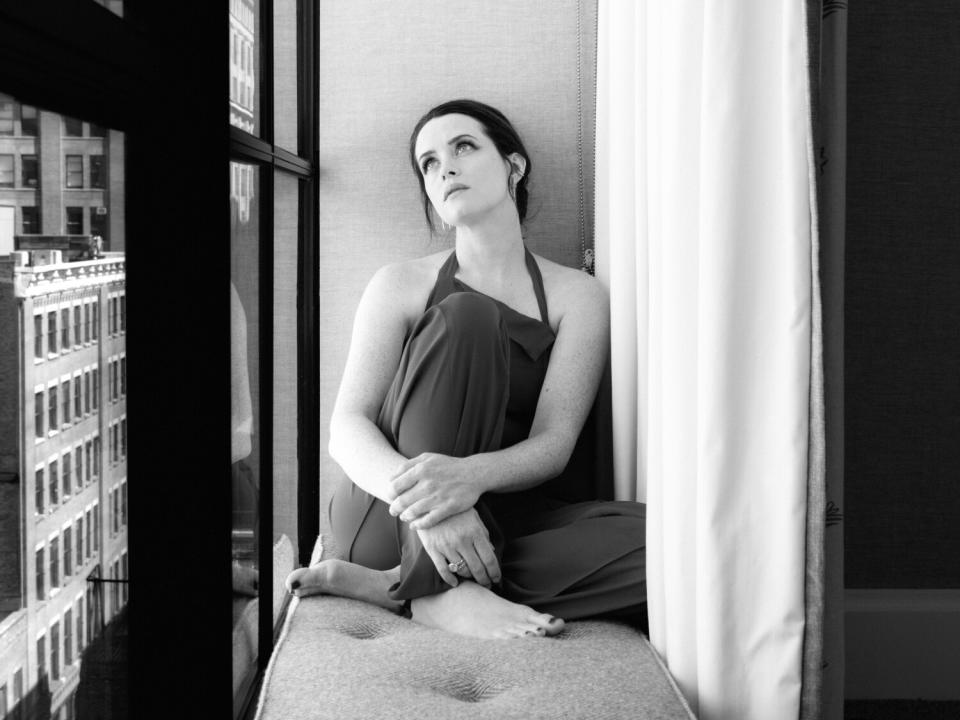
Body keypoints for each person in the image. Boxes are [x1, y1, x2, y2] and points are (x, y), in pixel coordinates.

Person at [284, 99, 645, 639]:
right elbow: (347, 428)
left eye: (464, 147)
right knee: (469, 317)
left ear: (514, 166)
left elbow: (555, 443)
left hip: (498, 516)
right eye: (428, 163)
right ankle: (437, 585)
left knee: (671, 547)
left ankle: (397, 587)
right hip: (389, 512)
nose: (444, 167)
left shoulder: (579, 295)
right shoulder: (399, 283)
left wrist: (465, 482)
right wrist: (436, 508)